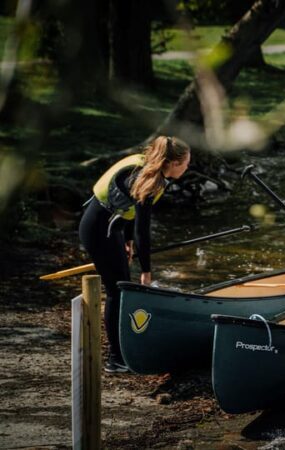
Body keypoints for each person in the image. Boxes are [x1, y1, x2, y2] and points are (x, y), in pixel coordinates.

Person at [79, 136, 190, 373]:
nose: (187, 168)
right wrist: (146, 271)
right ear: (173, 163)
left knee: (120, 288)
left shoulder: (146, 167)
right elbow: (143, 231)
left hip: (110, 228)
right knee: (117, 292)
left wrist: (127, 240)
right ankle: (116, 359)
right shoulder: (150, 181)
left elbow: (127, 207)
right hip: (99, 230)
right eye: (186, 163)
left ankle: (121, 352)